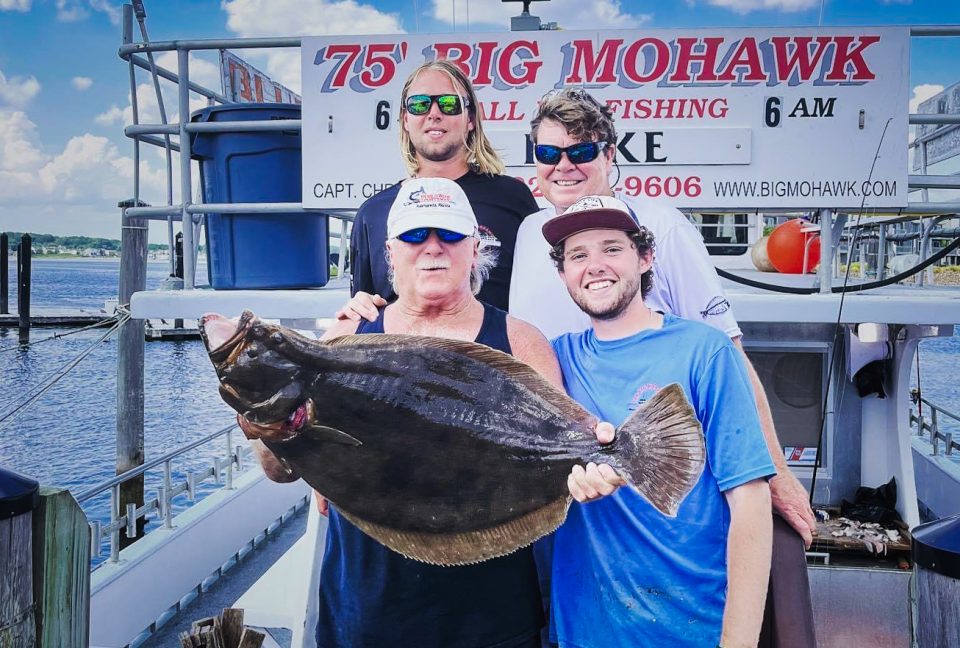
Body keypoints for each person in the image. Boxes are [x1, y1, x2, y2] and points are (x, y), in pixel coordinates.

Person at [508, 87, 816, 648]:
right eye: (549, 153)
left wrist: (774, 471)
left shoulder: (666, 236)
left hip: (682, 574)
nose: (564, 165)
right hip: (580, 572)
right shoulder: (533, 239)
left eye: (582, 151)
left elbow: (728, 353)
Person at [242, 177, 609, 648]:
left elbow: (562, 450)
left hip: (493, 610)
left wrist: (597, 463)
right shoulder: (343, 340)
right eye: (415, 235)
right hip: (368, 603)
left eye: (449, 234)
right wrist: (265, 418)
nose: (432, 247)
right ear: (390, 252)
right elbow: (279, 470)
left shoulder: (520, 341)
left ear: (474, 249)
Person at [544, 194, 775, 648]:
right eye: (578, 255)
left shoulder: (705, 351)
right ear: (563, 273)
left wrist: (739, 641)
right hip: (584, 631)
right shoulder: (554, 359)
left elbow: (750, 498)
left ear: (646, 257)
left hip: (692, 626)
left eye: (612, 248)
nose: (595, 266)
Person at [347, 59, 538, 312]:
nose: (434, 113)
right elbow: (365, 308)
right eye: (419, 104)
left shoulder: (513, 198)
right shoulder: (372, 213)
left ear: (470, 119)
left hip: (494, 338)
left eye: (449, 104)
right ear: (405, 119)